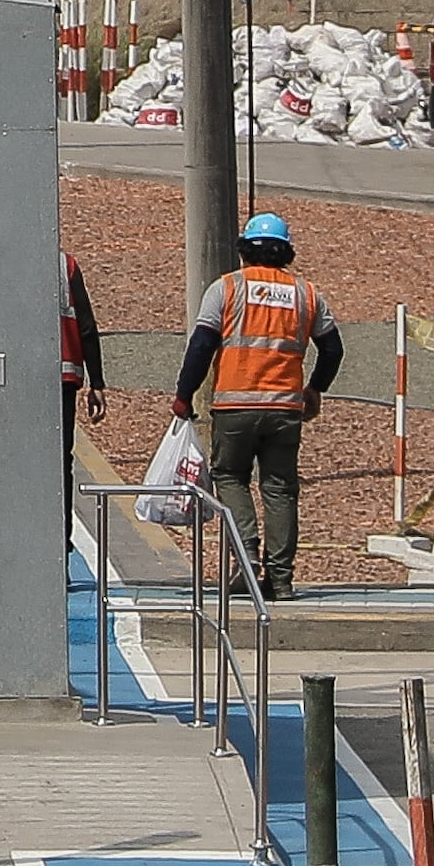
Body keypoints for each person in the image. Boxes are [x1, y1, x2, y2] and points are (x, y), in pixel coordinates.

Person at [172, 213, 342, 597]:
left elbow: (201, 346)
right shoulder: (306, 294)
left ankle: (246, 552)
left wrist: (184, 394)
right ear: (286, 252)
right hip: (285, 408)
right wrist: (315, 389)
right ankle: (280, 579)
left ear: (245, 249)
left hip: (235, 404)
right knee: (280, 488)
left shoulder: (226, 288)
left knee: (231, 476)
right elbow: (332, 347)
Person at [64, 252, 107, 467]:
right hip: (63, 378)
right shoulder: (66, 265)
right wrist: (96, 383)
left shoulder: (9, 261)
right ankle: (62, 501)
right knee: (62, 453)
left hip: (21, 378)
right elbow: (87, 327)